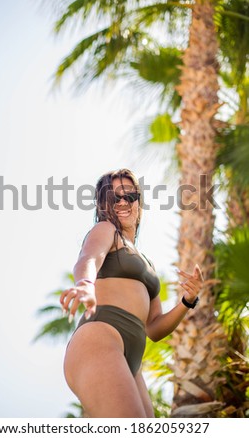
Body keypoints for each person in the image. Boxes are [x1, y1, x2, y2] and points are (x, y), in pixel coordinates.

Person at [60, 169, 203, 418]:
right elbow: (89, 257)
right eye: (115, 198)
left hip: (132, 362)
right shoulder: (106, 230)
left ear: (139, 202)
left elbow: (155, 329)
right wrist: (84, 283)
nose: (124, 202)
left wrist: (187, 301)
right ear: (106, 205)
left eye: (130, 196)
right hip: (100, 337)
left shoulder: (147, 263)